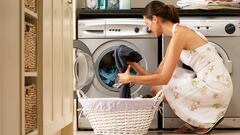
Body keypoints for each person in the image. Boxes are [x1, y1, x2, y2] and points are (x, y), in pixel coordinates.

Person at [118, 0, 233, 134]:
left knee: (163, 85)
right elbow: (157, 75)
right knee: (157, 87)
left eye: (147, 24)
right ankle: (198, 122)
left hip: (216, 87)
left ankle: (203, 121)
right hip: (218, 83)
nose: (148, 28)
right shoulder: (176, 36)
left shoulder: (179, 35)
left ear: (155, 19)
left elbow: (163, 79)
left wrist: (130, 79)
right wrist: (134, 65)